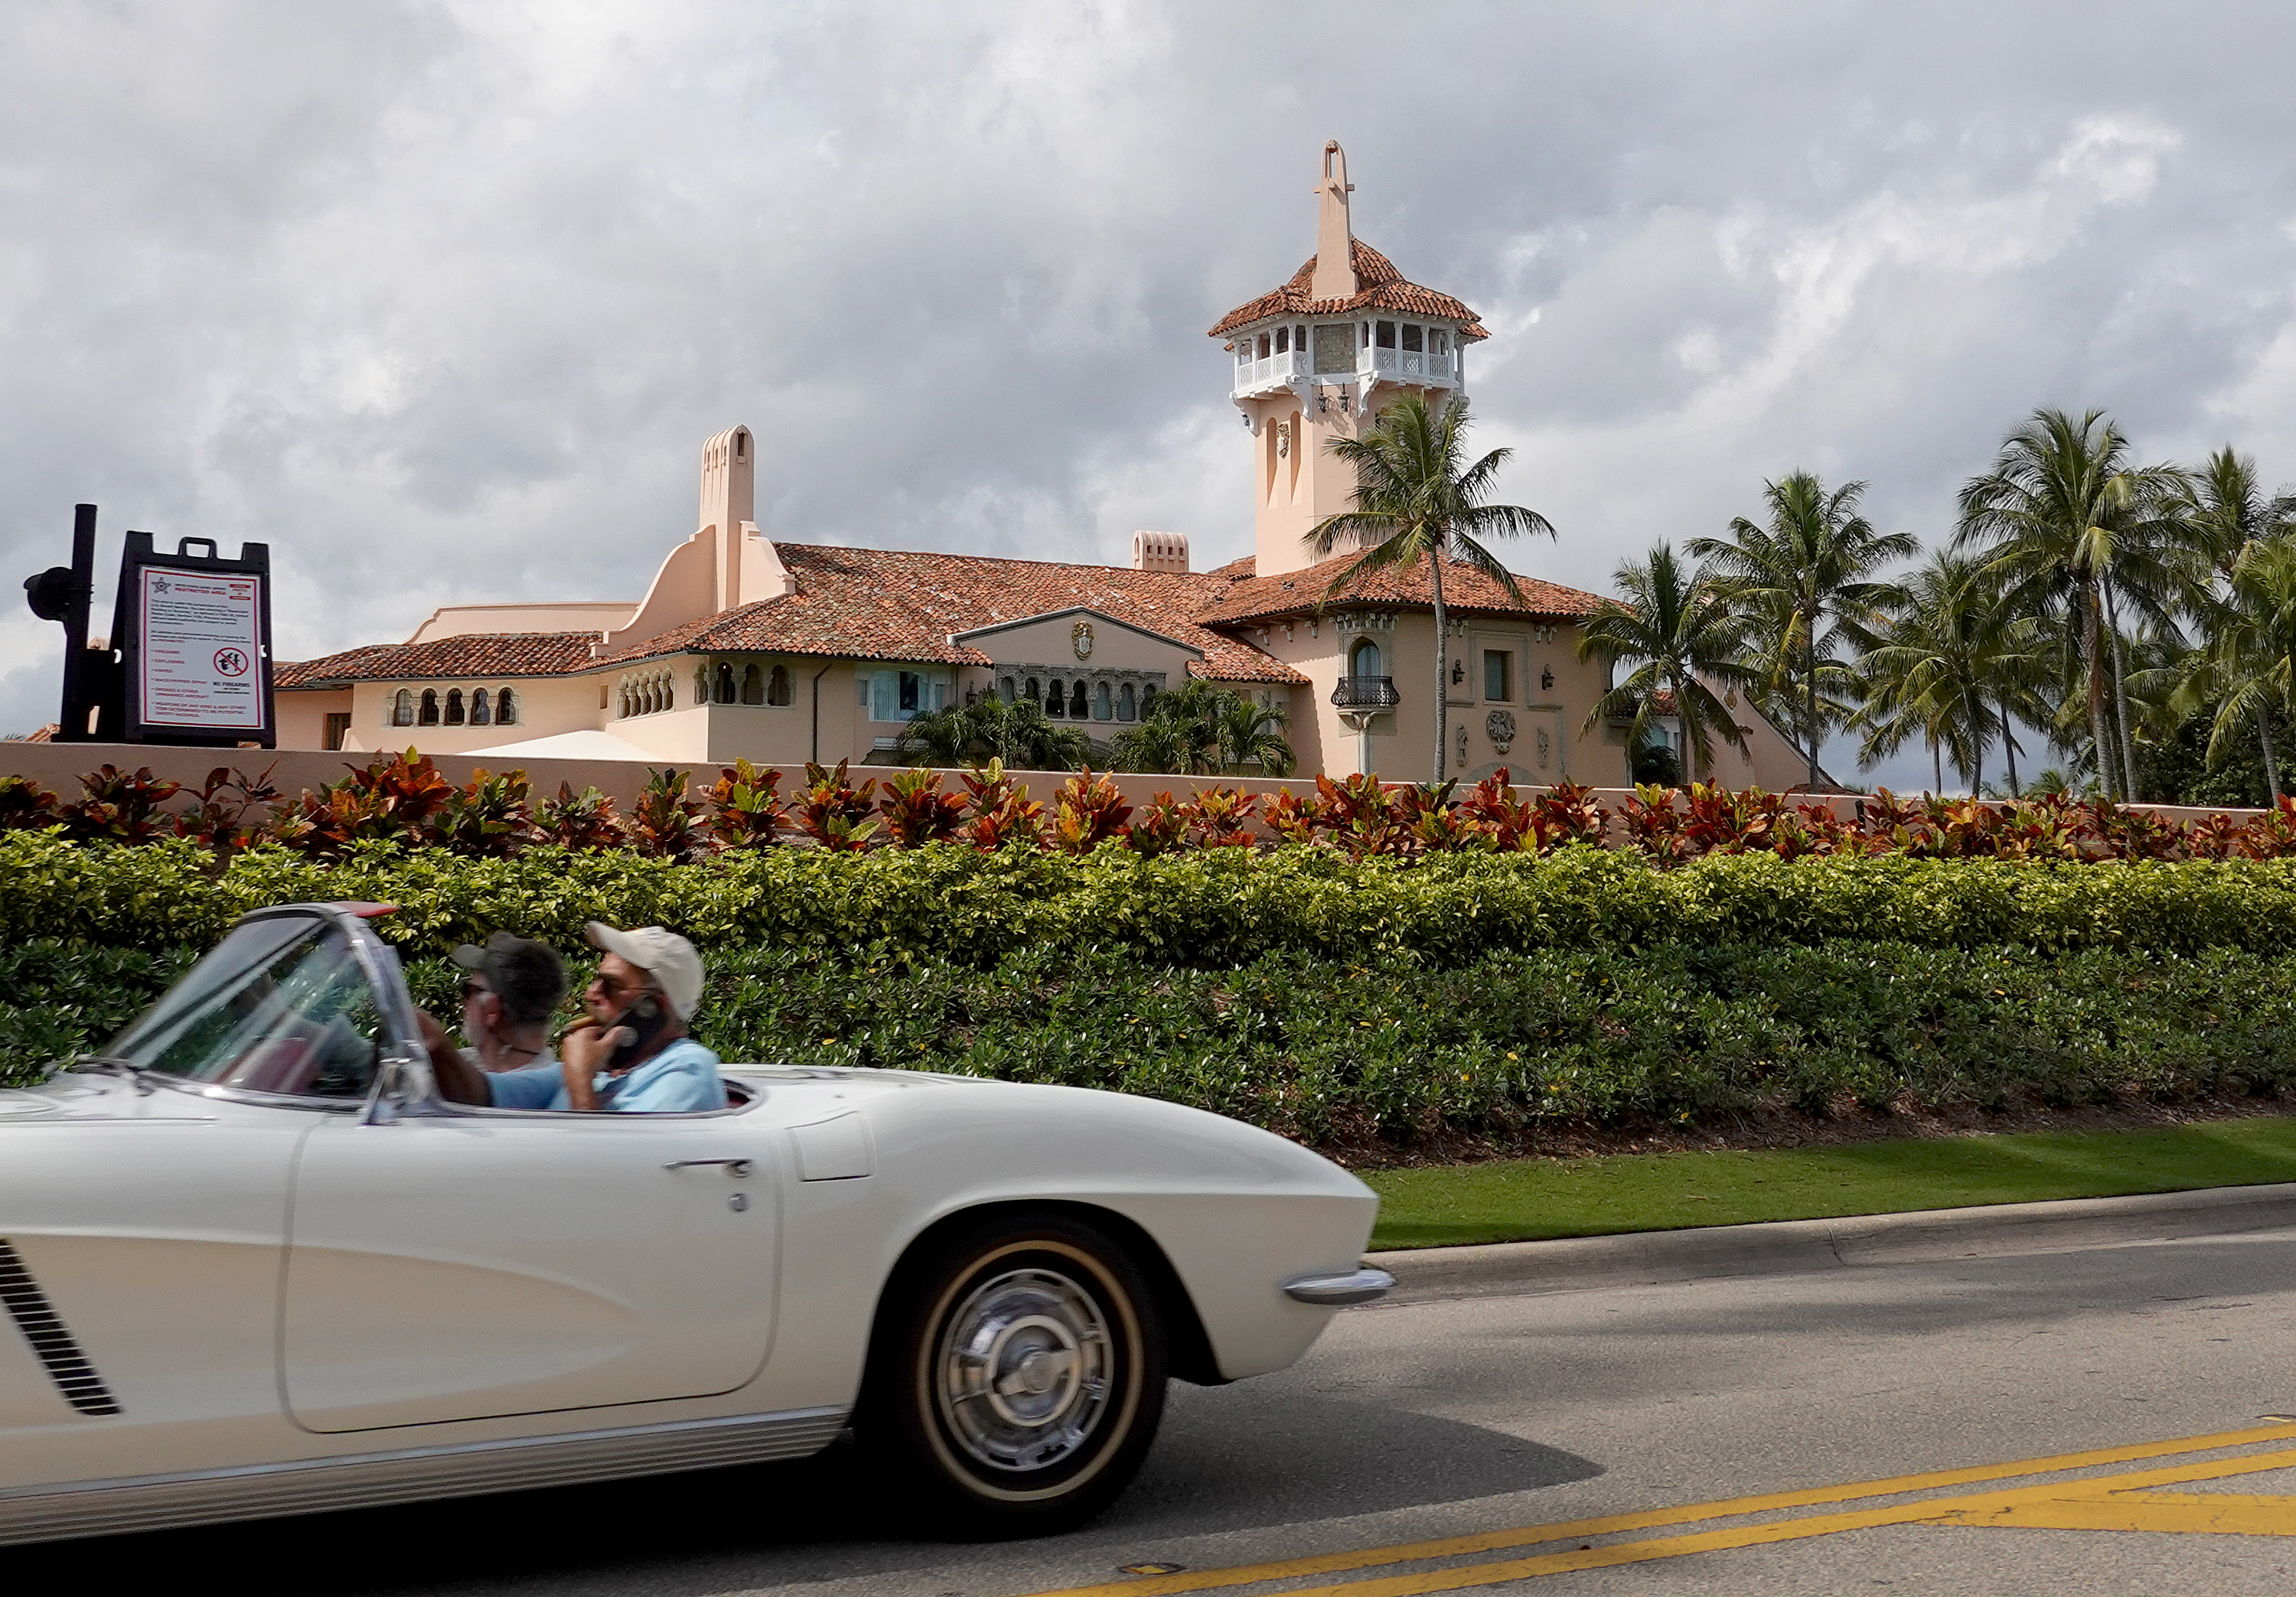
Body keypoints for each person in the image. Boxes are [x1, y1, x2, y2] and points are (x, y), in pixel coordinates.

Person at [435, 922, 724, 1114]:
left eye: (609, 986)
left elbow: (616, 1182)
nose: (591, 994)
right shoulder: (604, 1068)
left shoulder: (687, 1071)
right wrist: (435, 1047)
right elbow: (483, 1095)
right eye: (594, 981)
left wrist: (581, 1081)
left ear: (653, 1006)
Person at [452, 931, 566, 1072]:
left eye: (469, 991)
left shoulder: (454, 1079)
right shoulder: (561, 1084)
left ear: (491, 1010)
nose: (464, 1002)